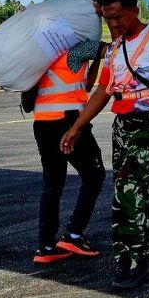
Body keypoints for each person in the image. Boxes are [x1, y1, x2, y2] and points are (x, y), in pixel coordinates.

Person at [61, 0, 149, 290]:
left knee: (127, 190)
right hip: (123, 124)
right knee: (137, 188)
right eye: (107, 19)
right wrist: (76, 126)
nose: (113, 24)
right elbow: (104, 90)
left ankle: (131, 262)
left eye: (118, 17)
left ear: (134, 11)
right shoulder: (114, 49)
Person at [30, 33, 107, 264]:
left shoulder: (39, 59)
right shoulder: (76, 51)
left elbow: (84, 85)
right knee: (94, 176)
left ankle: (45, 246)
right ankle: (73, 235)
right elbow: (112, 49)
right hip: (68, 120)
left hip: (42, 123)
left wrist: (93, 63)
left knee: (53, 184)